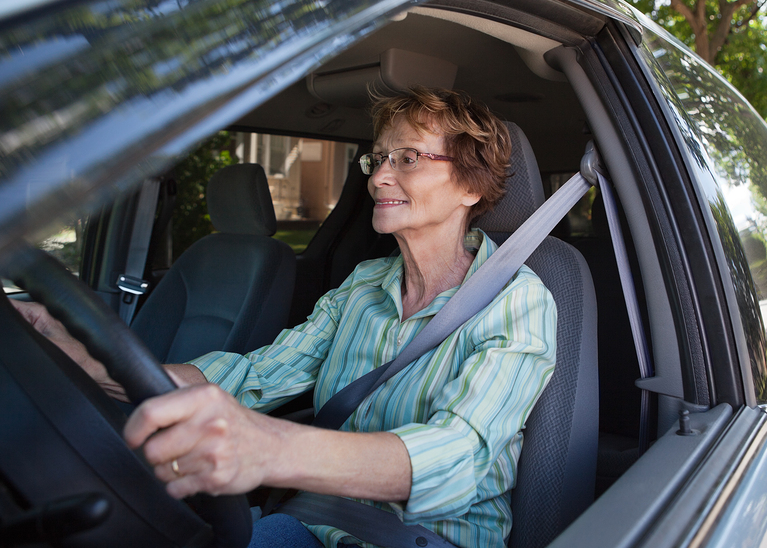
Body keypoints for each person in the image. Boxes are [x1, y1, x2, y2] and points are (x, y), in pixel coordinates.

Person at [12, 87, 557, 548]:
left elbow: (458, 456)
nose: (379, 178)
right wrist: (81, 354)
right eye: (378, 159)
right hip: (317, 526)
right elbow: (254, 377)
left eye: (407, 158)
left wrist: (267, 449)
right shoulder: (364, 285)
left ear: (471, 185)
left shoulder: (518, 302)